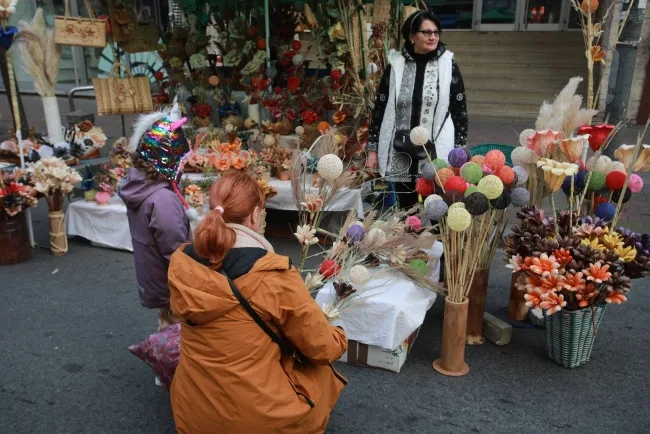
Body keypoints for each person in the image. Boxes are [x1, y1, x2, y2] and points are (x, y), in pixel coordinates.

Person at [168, 172, 348, 434]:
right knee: (319, 368)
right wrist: (340, 336)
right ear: (255, 214)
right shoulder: (272, 276)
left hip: (190, 412)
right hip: (256, 420)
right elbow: (322, 348)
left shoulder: (182, 260)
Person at [366, 10, 468, 209]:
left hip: (434, 149)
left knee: (436, 207)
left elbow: (460, 110)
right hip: (400, 150)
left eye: (436, 32)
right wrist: (372, 150)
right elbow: (380, 107)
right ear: (412, 36)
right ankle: (411, 240)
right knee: (406, 210)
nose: (433, 37)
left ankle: (436, 241)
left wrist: (459, 152)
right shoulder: (396, 64)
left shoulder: (448, 64)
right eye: (426, 32)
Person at [120, 106, 194, 338]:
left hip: (156, 279)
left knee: (168, 324)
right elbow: (176, 251)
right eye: (180, 160)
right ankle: (173, 372)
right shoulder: (162, 200)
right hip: (171, 285)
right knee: (179, 335)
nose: (183, 165)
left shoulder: (143, 187)